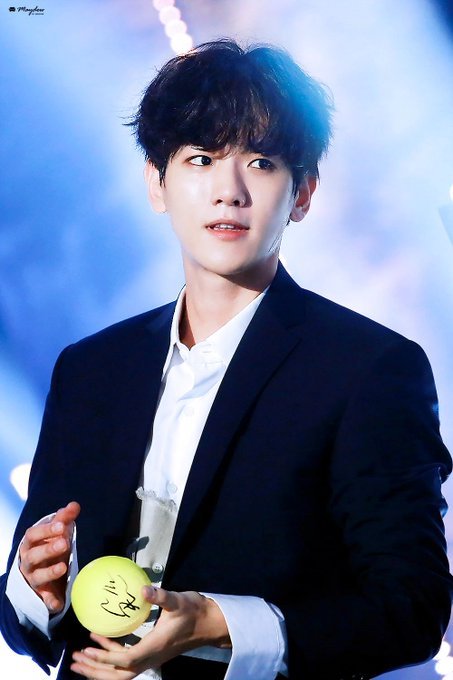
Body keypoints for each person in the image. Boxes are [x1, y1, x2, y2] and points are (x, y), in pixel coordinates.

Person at [0, 38, 452, 680]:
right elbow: (24, 613)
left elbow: (411, 609)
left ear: (303, 193)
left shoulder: (369, 369)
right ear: (157, 183)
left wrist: (219, 623)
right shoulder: (90, 370)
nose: (228, 191)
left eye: (261, 162)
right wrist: (34, 589)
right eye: (202, 158)